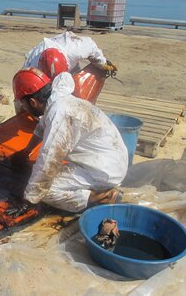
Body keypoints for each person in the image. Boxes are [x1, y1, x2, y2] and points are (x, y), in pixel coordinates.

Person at [9, 68, 128, 213]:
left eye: (24, 104)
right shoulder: (57, 99)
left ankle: (103, 196)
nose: (24, 108)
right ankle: (95, 188)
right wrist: (26, 152)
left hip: (104, 169)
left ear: (33, 102)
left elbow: (48, 160)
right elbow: (41, 127)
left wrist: (28, 201)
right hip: (109, 157)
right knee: (41, 179)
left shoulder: (60, 114)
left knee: (44, 189)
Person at [23, 31, 118, 79]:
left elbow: (92, 48)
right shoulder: (31, 67)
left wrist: (103, 63)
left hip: (68, 49)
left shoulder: (76, 49)